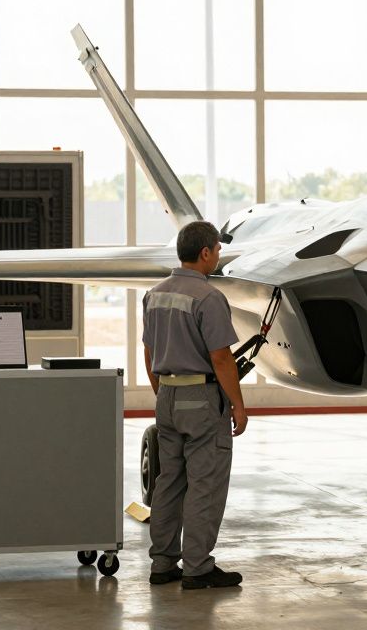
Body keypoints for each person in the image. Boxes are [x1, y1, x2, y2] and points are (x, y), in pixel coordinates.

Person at [143, 220, 248, 590]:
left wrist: (163, 392)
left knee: (169, 482)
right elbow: (221, 358)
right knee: (205, 484)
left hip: (167, 397)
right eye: (218, 250)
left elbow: (149, 350)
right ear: (205, 253)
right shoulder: (209, 298)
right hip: (202, 401)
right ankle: (198, 568)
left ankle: (162, 564)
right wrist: (237, 404)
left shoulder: (154, 294)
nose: (218, 256)